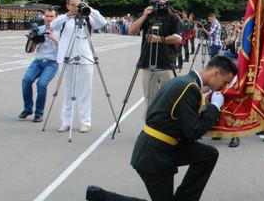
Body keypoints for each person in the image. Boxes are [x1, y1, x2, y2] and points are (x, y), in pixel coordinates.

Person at [86, 55, 237, 201]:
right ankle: (101, 196)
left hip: (162, 147)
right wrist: (215, 107)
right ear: (216, 73)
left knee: (208, 154)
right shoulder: (190, 88)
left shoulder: (184, 82)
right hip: (153, 155)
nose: (224, 87)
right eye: (225, 82)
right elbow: (193, 132)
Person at [51, 0, 106, 133]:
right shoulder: (64, 19)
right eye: (73, 5)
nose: (76, 8)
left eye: (78, 4)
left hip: (86, 58)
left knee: (85, 91)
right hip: (67, 58)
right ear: (68, 5)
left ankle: (85, 121)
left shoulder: (87, 16)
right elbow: (53, 25)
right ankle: (66, 121)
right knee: (68, 91)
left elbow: (102, 23)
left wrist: (89, 9)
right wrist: (67, 15)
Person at [128, 0, 181, 115]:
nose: (161, 2)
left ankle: (165, 128)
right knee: (150, 101)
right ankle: (149, 128)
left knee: (168, 100)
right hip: (148, 63)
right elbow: (132, 30)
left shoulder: (172, 17)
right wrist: (145, 15)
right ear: (152, 0)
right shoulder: (146, 14)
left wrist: (159, 39)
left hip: (167, 64)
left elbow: (178, 38)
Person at [19, 7, 59, 123]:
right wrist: (32, 39)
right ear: (44, 17)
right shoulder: (39, 29)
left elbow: (65, 49)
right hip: (38, 60)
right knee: (26, 80)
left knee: (41, 84)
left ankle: (39, 113)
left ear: (56, 17)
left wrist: (54, 39)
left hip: (52, 62)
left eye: (51, 16)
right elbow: (30, 50)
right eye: (47, 16)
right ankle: (27, 109)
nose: (49, 19)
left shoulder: (61, 31)